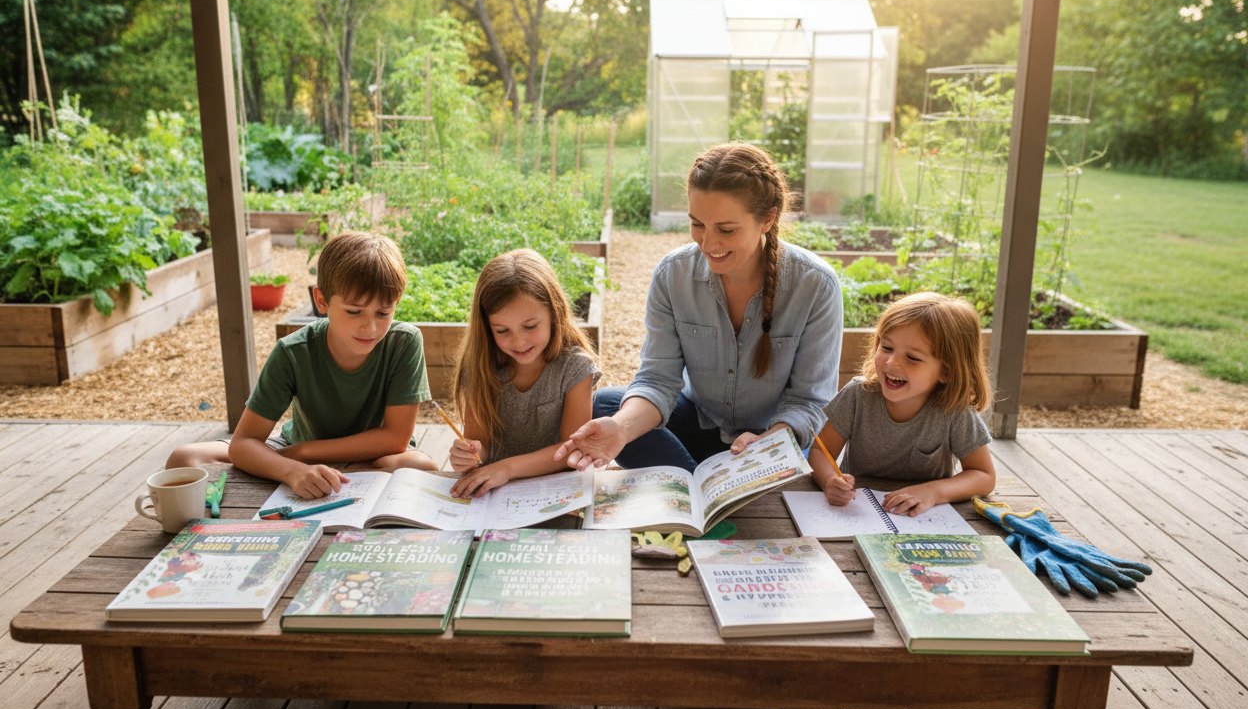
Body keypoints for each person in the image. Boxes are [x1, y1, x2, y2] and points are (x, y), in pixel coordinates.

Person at [555, 142, 842, 473]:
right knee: (607, 406)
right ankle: (711, 490)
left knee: (781, 448)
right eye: (697, 224)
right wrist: (621, 430)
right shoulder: (672, 274)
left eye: (726, 229)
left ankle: (694, 484)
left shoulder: (816, 284)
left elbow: (810, 401)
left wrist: (770, 442)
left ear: (767, 219)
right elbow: (657, 380)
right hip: (696, 423)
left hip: (769, 439)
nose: (708, 243)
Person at [165, 231, 437, 497]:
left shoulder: (404, 342)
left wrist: (302, 454)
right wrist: (290, 470)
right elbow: (243, 443)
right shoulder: (293, 351)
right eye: (354, 311)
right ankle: (331, 475)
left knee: (420, 465)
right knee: (185, 458)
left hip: (370, 455)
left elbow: (396, 439)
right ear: (321, 301)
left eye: (383, 312)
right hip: (298, 450)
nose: (371, 327)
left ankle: (325, 474)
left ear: (396, 304)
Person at [811, 291, 996, 516]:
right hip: (856, 512)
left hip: (924, 520)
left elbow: (984, 476)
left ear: (946, 371)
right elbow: (820, 451)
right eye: (886, 347)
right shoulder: (857, 395)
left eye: (913, 358)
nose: (891, 362)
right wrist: (830, 481)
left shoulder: (955, 411)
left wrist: (933, 492)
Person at [446, 249, 602, 498]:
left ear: (554, 312)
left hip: (556, 490)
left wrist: (506, 468)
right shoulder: (480, 367)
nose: (518, 342)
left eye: (530, 326)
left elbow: (571, 448)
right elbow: (480, 448)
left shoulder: (575, 368)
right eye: (502, 330)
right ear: (487, 327)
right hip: (494, 493)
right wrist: (469, 454)